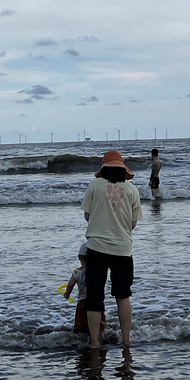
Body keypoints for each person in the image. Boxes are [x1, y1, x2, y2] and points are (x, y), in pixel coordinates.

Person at [81, 150, 143, 350]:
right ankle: (126, 340)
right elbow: (132, 224)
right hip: (122, 249)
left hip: (97, 247)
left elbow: (87, 217)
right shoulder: (132, 190)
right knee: (123, 295)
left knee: (94, 296)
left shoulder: (94, 186)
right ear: (122, 168)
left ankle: (95, 342)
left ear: (104, 168)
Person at [64, 244, 107, 337]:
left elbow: (70, 284)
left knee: (81, 328)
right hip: (96, 301)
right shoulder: (97, 270)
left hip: (82, 302)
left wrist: (67, 294)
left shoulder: (77, 272)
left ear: (79, 257)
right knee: (100, 326)